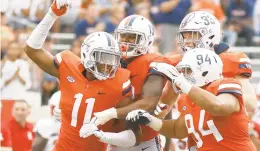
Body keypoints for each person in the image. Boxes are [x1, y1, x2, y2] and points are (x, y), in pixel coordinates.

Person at [24, 0, 139, 150]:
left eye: (112, 59)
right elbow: (32, 49)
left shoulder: (120, 83)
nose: (109, 65)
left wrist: (103, 135)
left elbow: (133, 136)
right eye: (103, 58)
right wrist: (52, 14)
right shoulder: (68, 66)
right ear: (87, 54)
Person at [126, 49, 257, 151]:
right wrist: (150, 120)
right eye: (182, 72)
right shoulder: (187, 97)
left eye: (187, 71)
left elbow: (219, 107)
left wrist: (181, 82)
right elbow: (178, 130)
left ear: (204, 71)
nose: (183, 75)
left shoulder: (225, 84)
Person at [79, 15, 171, 151]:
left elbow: (149, 103)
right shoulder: (109, 60)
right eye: (123, 36)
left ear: (147, 40)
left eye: (132, 37)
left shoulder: (153, 62)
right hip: (111, 139)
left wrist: (112, 113)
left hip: (144, 142)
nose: (125, 41)